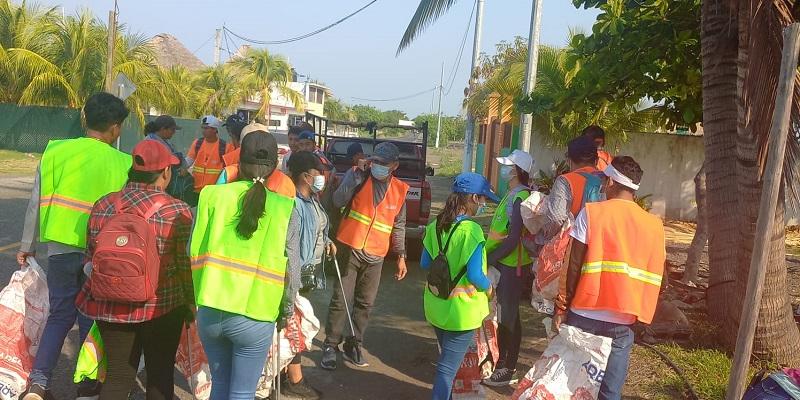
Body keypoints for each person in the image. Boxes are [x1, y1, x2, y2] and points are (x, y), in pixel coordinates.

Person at [17, 92, 133, 400]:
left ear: (86, 120)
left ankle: (39, 383)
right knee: (91, 318)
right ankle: (87, 386)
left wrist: (27, 244)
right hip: (101, 254)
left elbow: (35, 202)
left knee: (59, 315)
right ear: (115, 127)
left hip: (59, 248)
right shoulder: (123, 162)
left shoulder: (56, 151)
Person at [75, 140, 193, 399]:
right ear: (165, 172)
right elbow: (186, 267)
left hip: (110, 302)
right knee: (160, 375)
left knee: (117, 377)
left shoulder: (103, 205)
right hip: (162, 307)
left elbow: (90, 257)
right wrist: (190, 304)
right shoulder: (177, 211)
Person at [190, 129, 298, 400]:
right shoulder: (286, 208)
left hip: (211, 310)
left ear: (237, 161)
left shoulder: (211, 197)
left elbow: (191, 252)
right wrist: (286, 311)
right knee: (242, 393)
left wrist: (193, 302)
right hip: (256, 314)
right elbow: (292, 270)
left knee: (220, 385)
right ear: (275, 166)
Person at [554, 156, 665, 400]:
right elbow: (660, 277)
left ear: (613, 182)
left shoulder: (592, 213)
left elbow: (572, 265)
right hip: (623, 321)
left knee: (572, 385)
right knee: (609, 391)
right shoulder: (654, 225)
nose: (603, 186)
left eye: (605, 181)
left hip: (584, 314)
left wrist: (561, 306)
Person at [320, 142, 409, 370]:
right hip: (350, 247)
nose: (377, 166)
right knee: (341, 299)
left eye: (383, 163)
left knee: (365, 304)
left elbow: (399, 225)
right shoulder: (358, 176)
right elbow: (338, 201)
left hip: (376, 255)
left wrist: (401, 255)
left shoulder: (400, 191)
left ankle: (354, 344)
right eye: (375, 161)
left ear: (394, 166)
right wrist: (354, 176)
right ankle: (331, 345)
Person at [421, 173, 498, 400]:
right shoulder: (472, 231)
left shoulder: (436, 223)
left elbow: (426, 262)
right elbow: (476, 275)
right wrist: (490, 288)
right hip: (461, 313)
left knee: (446, 362)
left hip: (436, 306)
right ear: (473, 198)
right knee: (447, 369)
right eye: (483, 199)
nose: (484, 204)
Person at [281, 151, 338, 399]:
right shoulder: (293, 203)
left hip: (307, 275)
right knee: (295, 327)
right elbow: (291, 248)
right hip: (296, 277)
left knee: (295, 326)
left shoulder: (312, 199)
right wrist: (292, 283)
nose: (322, 177)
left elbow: (318, 226)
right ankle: (294, 379)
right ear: (305, 176)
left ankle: (287, 374)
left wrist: (326, 241)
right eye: (318, 173)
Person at [483, 149, 535, 387]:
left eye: (507, 166)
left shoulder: (519, 196)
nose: (503, 169)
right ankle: (503, 362)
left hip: (511, 265)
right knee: (507, 314)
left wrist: (491, 258)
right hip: (505, 262)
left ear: (516, 171)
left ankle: (507, 367)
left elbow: (513, 238)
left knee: (508, 316)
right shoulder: (512, 193)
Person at [540, 135, 603, 239]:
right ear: (596, 160)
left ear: (569, 160)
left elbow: (556, 218)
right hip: (601, 245)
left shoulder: (565, 181)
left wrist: (546, 236)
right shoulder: (609, 181)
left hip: (574, 246)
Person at [145, 115, 193, 201]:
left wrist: (183, 167)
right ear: (163, 129)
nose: (174, 132)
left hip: (167, 184)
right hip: (156, 184)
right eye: (172, 129)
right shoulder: (150, 142)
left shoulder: (165, 142)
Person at [186, 115, 234, 192]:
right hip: (196, 190)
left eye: (206, 128)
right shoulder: (197, 143)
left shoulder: (225, 147)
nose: (203, 131)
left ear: (215, 129)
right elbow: (189, 161)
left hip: (214, 191)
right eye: (202, 128)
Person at [215, 116, 253, 184]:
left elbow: (224, 178)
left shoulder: (230, 156)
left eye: (228, 128)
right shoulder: (255, 151)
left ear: (232, 133)